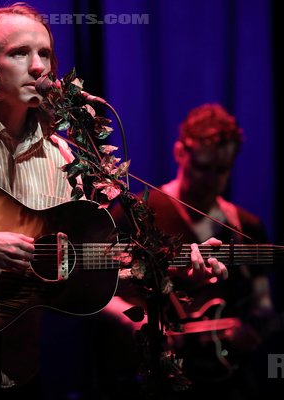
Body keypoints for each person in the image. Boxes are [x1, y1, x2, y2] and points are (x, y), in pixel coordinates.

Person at [0, 4, 226, 399]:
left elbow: (83, 262)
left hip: (22, 370)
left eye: (45, 54)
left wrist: (171, 268)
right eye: (19, 53)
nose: (38, 67)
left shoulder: (62, 158)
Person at [104, 102, 274, 399]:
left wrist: (254, 327)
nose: (210, 179)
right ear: (181, 152)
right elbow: (96, 290)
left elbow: (262, 301)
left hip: (226, 379)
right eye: (202, 167)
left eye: (221, 170)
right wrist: (129, 317)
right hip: (151, 378)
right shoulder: (138, 212)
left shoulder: (246, 225)